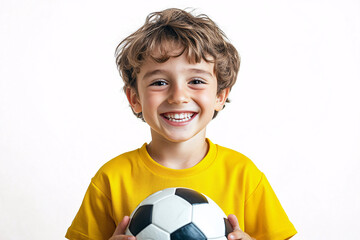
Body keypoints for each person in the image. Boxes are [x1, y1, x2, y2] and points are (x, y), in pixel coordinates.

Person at [65, 8, 297, 240]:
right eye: (159, 82)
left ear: (220, 96)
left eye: (196, 81)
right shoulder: (111, 179)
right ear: (135, 99)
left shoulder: (243, 175)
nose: (178, 96)